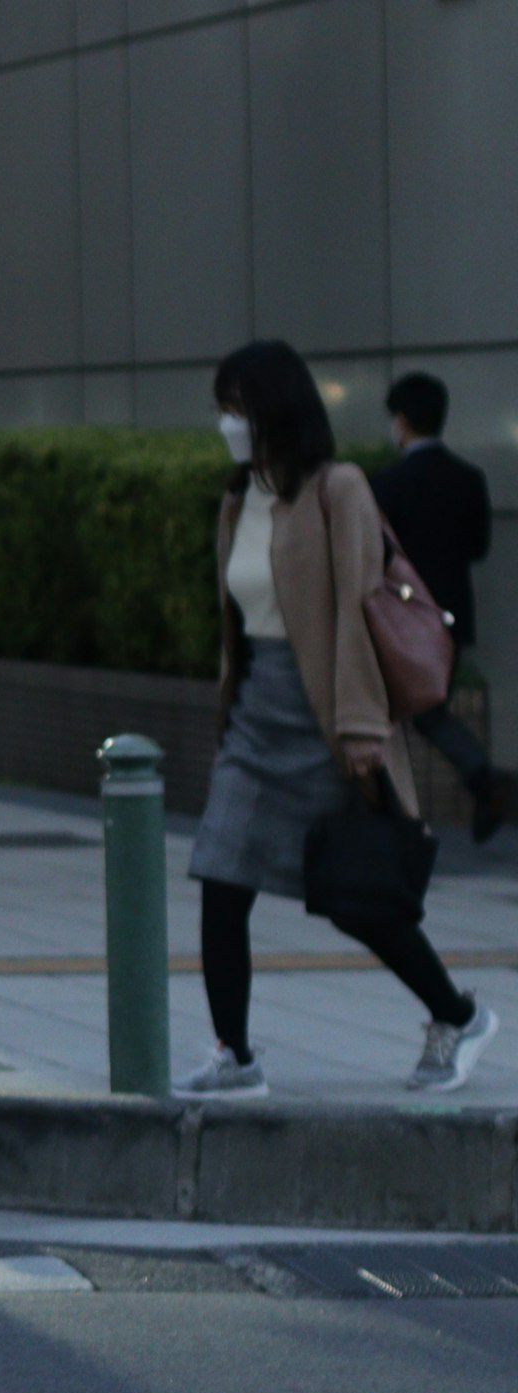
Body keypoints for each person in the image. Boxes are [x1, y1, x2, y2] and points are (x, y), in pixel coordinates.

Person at [183, 342, 494, 1097]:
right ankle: (237, 1054)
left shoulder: (337, 489)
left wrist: (360, 732)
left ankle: (457, 1015)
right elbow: (237, 621)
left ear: (275, 410)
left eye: (237, 409)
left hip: (326, 722)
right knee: (220, 881)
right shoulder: (236, 499)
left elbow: (359, 613)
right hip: (256, 718)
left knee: (362, 905)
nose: (227, 424)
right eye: (222, 410)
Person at [371, 370, 505, 838]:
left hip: (401, 619)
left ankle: (402, 810)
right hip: (450, 620)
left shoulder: (387, 485)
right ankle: (480, 780)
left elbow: (375, 556)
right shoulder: (468, 479)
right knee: (426, 711)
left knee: (394, 713)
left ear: (402, 421)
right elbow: (478, 547)